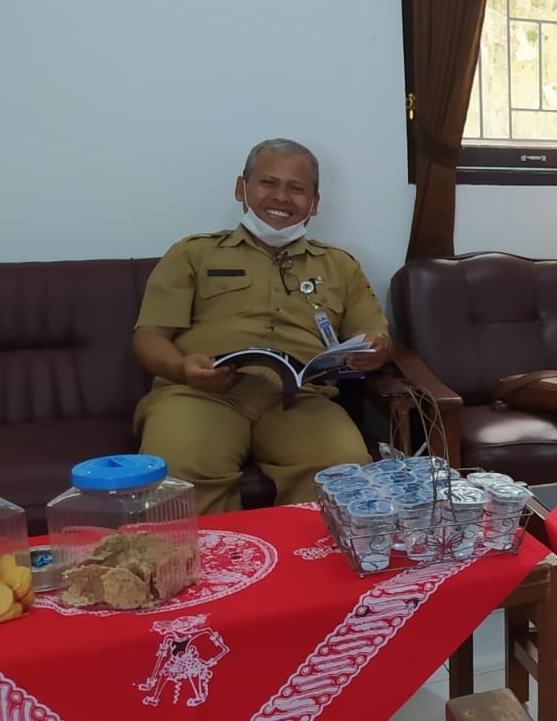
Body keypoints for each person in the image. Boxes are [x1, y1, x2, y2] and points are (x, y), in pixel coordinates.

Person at [131, 139, 391, 514]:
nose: (281, 197)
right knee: (179, 475)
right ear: (242, 188)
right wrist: (181, 368)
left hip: (300, 401)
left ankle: (304, 571)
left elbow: (377, 337)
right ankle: (208, 572)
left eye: (296, 188)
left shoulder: (340, 265)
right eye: (268, 183)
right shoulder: (193, 253)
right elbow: (148, 337)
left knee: (343, 471)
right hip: (199, 394)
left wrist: (376, 349)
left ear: (314, 203)